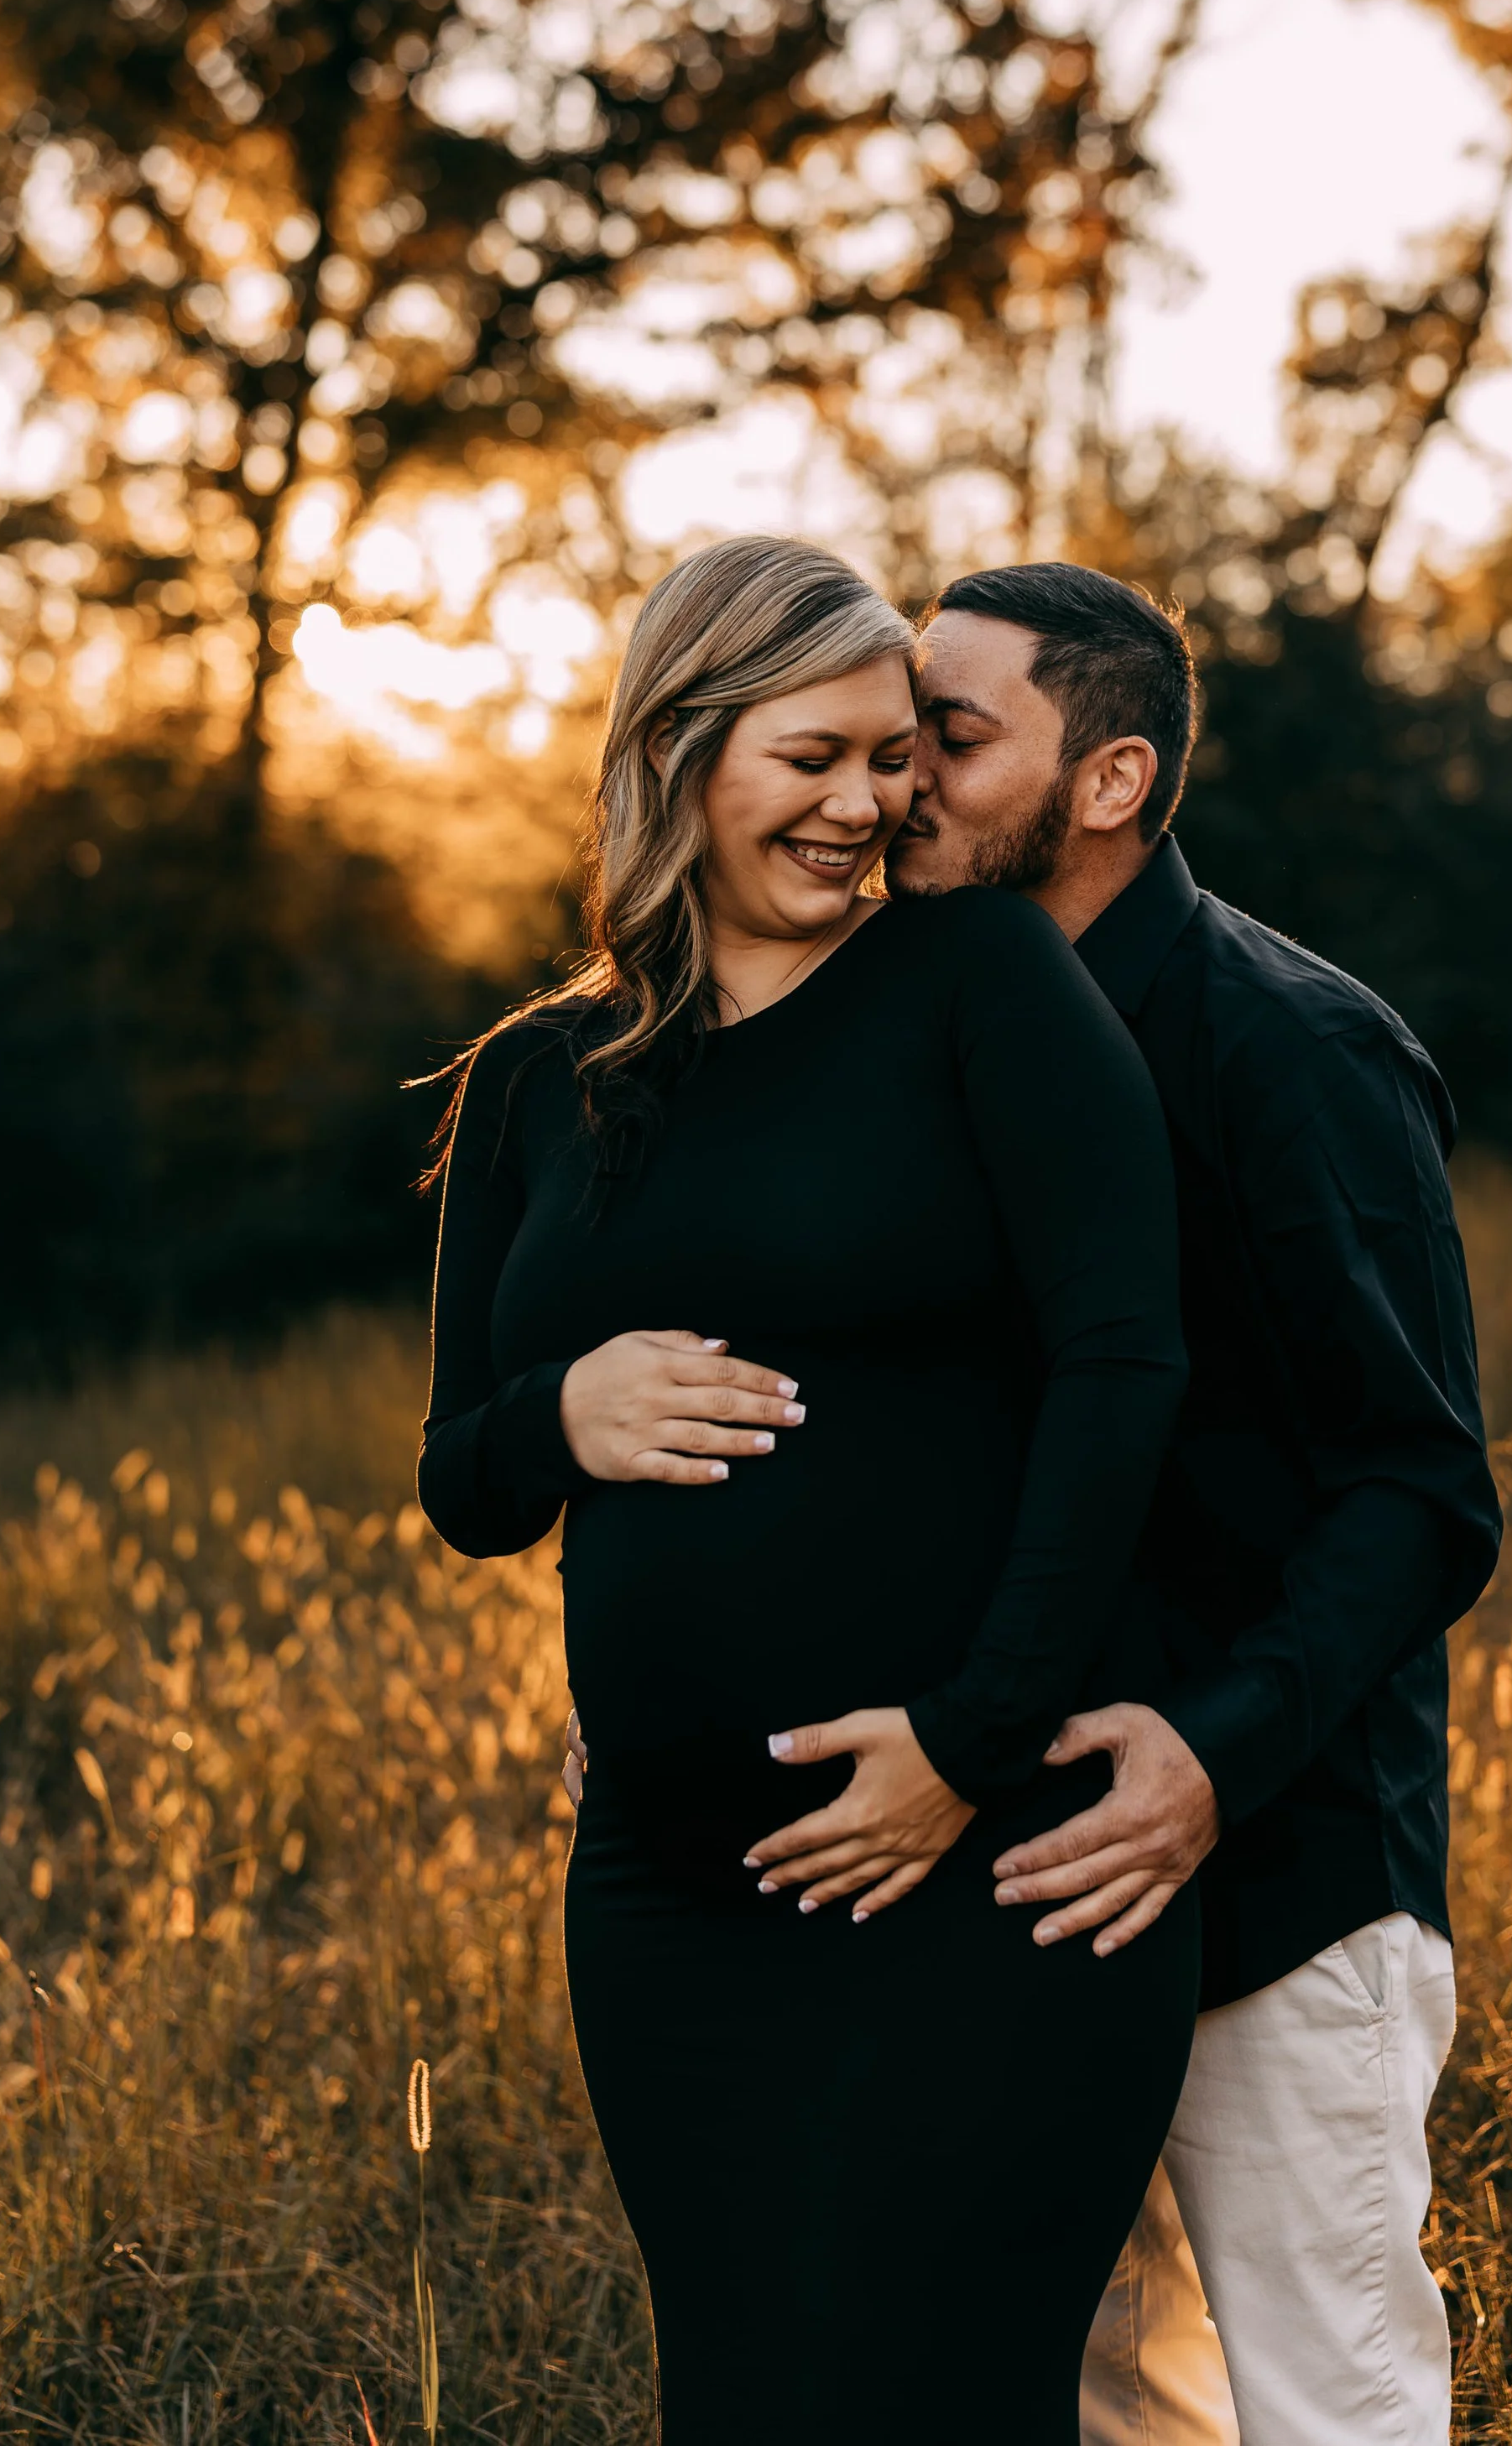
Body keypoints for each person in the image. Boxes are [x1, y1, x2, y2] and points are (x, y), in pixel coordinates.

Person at [419, 535, 1200, 2446]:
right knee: (747, 2406)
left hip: (978, 1868)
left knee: (956, 2402)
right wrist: (561, 1410)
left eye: (891, 760)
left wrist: (963, 1734)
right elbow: (462, 1483)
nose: (870, 806)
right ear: (681, 750)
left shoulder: (979, 984)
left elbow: (1124, 1366)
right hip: (668, 1897)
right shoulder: (543, 1077)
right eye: (813, 759)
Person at [889, 562, 1502, 2446]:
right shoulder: (927, 1034)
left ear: (1106, 778)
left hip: (1285, 1877)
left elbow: (1418, 1490)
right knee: (1114, 2414)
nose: (895, 772)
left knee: (1330, 2413)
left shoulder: (1290, 1047)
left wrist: (1212, 1758)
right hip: (1027, 1885)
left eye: (953, 733)